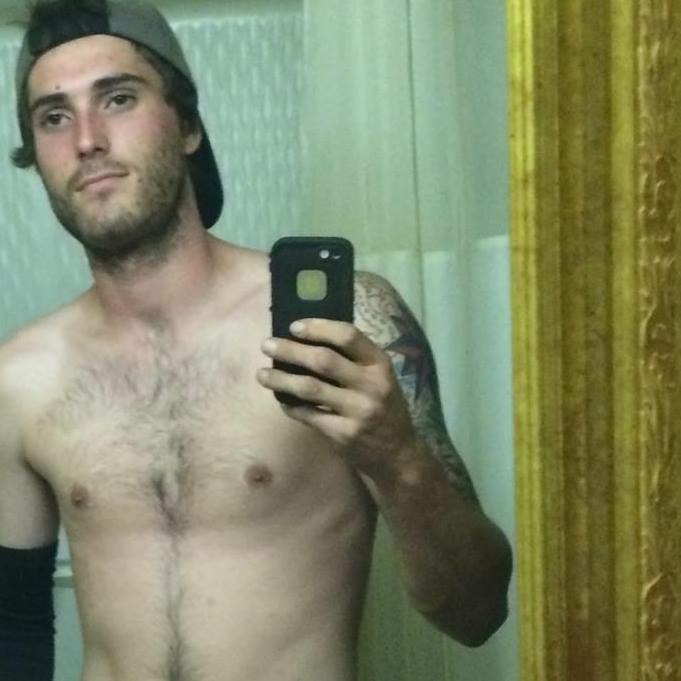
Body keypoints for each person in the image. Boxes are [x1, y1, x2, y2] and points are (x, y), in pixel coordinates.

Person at [0, 1, 513, 679]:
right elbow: (14, 632)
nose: (87, 139)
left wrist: (397, 458)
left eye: (118, 98)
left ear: (187, 125)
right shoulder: (20, 378)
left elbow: (477, 612)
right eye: (53, 116)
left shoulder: (343, 326)